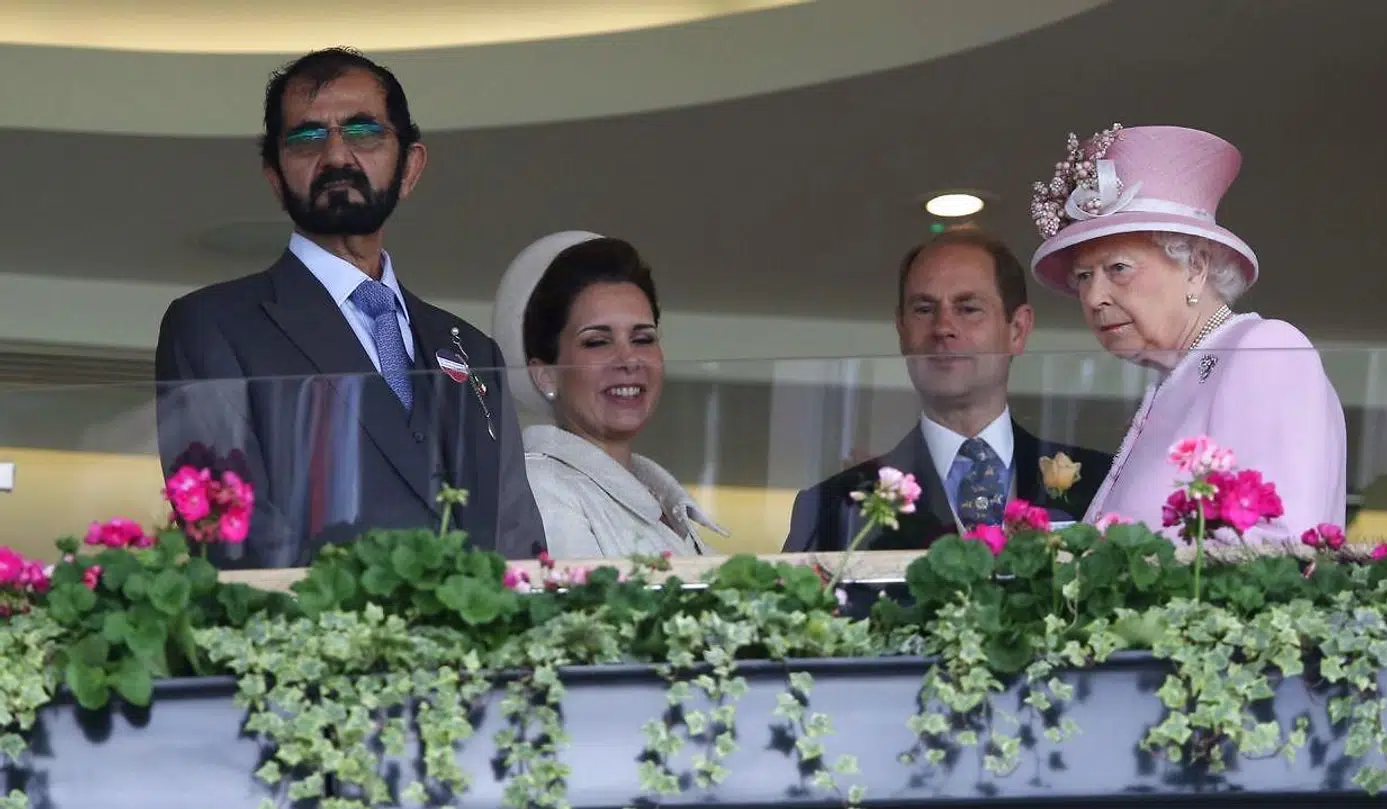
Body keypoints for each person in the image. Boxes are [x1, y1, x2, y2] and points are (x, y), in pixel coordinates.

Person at [153, 47, 545, 567]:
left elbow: (519, 545)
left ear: (410, 167)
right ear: (275, 177)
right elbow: (232, 541)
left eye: (363, 133)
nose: (337, 156)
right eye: (307, 137)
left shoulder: (473, 350)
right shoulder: (212, 326)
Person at [1028, 123, 1346, 542]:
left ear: (1195, 267)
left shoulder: (1264, 349)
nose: (1094, 297)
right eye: (1084, 276)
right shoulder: (1177, 379)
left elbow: (1277, 547)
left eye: (1118, 269)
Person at [783, 227, 1113, 553]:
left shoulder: (1105, 483)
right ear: (902, 331)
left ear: (1018, 329)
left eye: (968, 309)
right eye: (924, 310)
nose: (943, 328)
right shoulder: (831, 507)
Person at [492, 231, 726, 559]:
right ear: (545, 373)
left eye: (643, 339)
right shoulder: (543, 489)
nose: (628, 360)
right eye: (597, 342)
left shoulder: (657, 495)